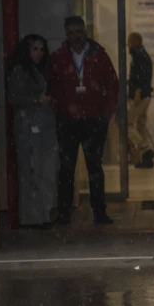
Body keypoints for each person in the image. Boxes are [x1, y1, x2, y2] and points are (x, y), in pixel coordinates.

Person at [50, 16, 119, 226]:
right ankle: (64, 213)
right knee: (66, 168)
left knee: (94, 167)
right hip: (68, 121)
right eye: (71, 33)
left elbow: (112, 85)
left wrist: (105, 114)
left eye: (78, 32)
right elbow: (52, 86)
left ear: (85, 31)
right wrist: (60, 112)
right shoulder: (59, 57)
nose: (75, 37)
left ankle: (99, 212)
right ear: (66, 34)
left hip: (93, 120)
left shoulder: (99, 55)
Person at [7, 35, 59, 228]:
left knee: (45, 171)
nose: (38, 53)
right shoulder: (20, 71)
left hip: (44, 125)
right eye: (34, 49)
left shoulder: (42, 69)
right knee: (31, 171)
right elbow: (14, 98)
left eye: (41, 49)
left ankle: (42, 214)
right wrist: (37, 100)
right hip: (28, 126)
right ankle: (32, 217)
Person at [127, 33, 154, 169]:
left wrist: (137, 92)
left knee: (127, 124)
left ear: (136, 41)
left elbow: (141, 76)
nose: (127, 44)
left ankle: (146, 150)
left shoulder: (139, 56)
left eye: (129, 41)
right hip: (145, 94)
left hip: (141, 95)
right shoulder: (141, 55)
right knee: (140, 126)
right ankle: (147, 158)